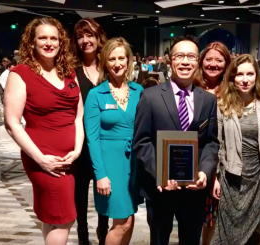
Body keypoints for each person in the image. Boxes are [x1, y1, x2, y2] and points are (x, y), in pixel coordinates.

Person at [4, 17, 84, 244]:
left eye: (53, 38)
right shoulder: (20, 73)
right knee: (64, 218)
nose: (49, 43)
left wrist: (77, 149)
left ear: (61, 43)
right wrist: (41, 159)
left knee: (52, 216)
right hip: (42, 157)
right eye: (42, 38)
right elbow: (12, 123)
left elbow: (78, 116)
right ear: (32, 42)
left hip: (69, 158)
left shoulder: (69, 72)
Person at [133, 35, 219, 245]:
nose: (185, 62)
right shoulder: (150, 96)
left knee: (191, 240)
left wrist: (204, 171)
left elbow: (211, 142)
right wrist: (159, 173)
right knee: (160, 240)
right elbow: (141, 141)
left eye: (191, 56)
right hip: (161, 188)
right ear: (170, 60)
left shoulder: (207, 100)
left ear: (197, 62)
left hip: (194, 190)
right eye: (179, 56)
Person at [212, 54, 260, 245]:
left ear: (257, 76)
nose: (244, 80)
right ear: (232, 77)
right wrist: (215, 177)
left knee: (255, 231)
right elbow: (217, 143)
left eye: (250, 74)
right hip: (231, 177)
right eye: (239, 74)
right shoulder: (223, 105)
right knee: (226, 232)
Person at [84, 37, 144, 245]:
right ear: (104, 63)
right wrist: (100, 174)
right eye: (112, 59)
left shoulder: (139, 91)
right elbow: (92, 138)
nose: (117, 63)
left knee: (130, 217)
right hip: (110, 166)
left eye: (121, 58)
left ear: (128, 61)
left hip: (134, 164)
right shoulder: (96, 94)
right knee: (123, 222)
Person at [71, 17, 108, 245]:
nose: (86, 40)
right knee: (80, 193)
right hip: (81, 142)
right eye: (80, 36)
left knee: (104, 192)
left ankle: (103, 232)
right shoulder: (72, 71)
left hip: (107, 142)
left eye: (90, 35)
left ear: (98, 37)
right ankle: (82, 235)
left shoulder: (109, 68)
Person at [197, 41, 231, 245]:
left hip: (226, 160)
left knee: (219, 214)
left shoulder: (233, 90)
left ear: (226, 63)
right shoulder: (192, 87)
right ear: (201, 62)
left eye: (219, 60)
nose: (213, 64)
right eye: (209, 59)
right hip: (199, 158)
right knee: (201, 213)